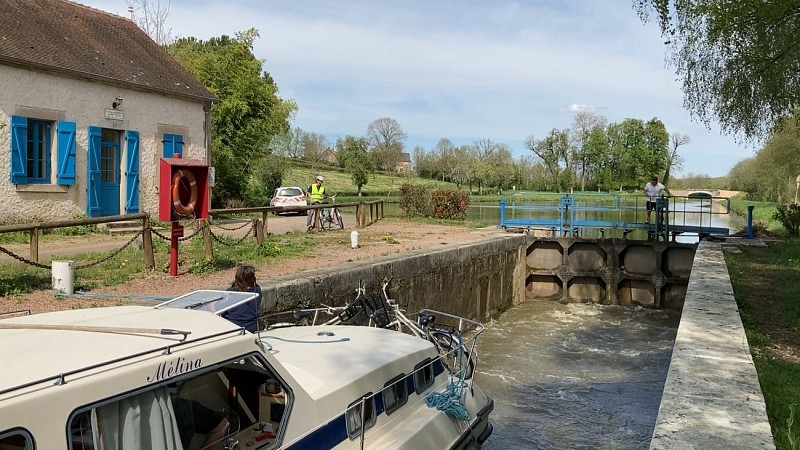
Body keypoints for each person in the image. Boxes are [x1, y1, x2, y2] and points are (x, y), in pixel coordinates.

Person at [223, 265, 263, 332]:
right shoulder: (257, 289)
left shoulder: (230, 292)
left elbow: (220, 307)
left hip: (234, 326)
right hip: (252, 325)